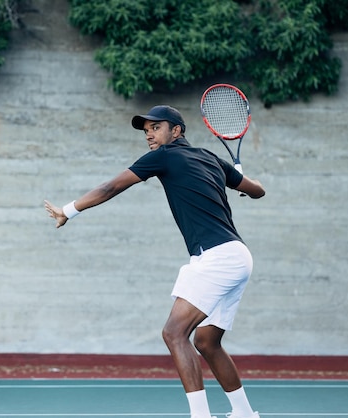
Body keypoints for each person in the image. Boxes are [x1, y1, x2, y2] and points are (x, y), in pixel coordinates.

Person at [44, 105, 265, 418]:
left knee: (174, 333)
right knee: (207, 341)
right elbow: (258, 190)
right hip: (238, 256)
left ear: (176, 131)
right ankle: (245, 413)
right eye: (146, 130)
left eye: (156, 127)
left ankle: (200, 416)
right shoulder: (212, 159)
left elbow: (111, 187)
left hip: (216, 258)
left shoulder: (164, 156)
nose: (149, 134)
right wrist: (243, 179)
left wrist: (68, 210)